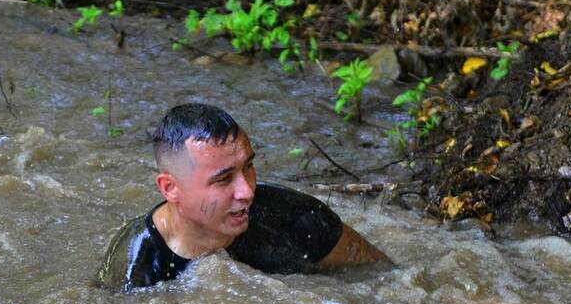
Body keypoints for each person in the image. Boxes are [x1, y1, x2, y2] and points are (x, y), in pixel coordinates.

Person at [98, 103, 393, 291]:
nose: (247, 191)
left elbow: (385, 276)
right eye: (224, 178)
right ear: (170, 189)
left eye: (248, 167)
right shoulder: (137, 266)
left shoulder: (293, 217)